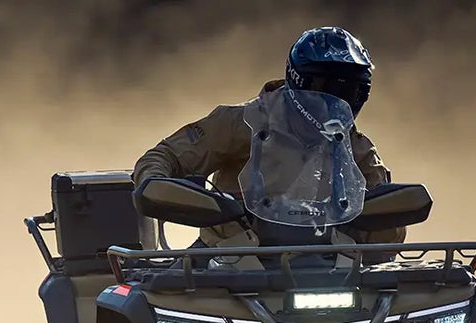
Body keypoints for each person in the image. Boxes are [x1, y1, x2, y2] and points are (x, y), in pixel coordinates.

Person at [131, 26, 404, 248]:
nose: (337, 101)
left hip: (329, 266)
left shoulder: (357, 148)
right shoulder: (241, 122)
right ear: (298, 81)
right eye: (327, 89)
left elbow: (386, 235)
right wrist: (161, 189)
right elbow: (162, 156)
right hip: (229, 262)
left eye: (353, 92)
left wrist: (388, 215)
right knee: (160, 296)